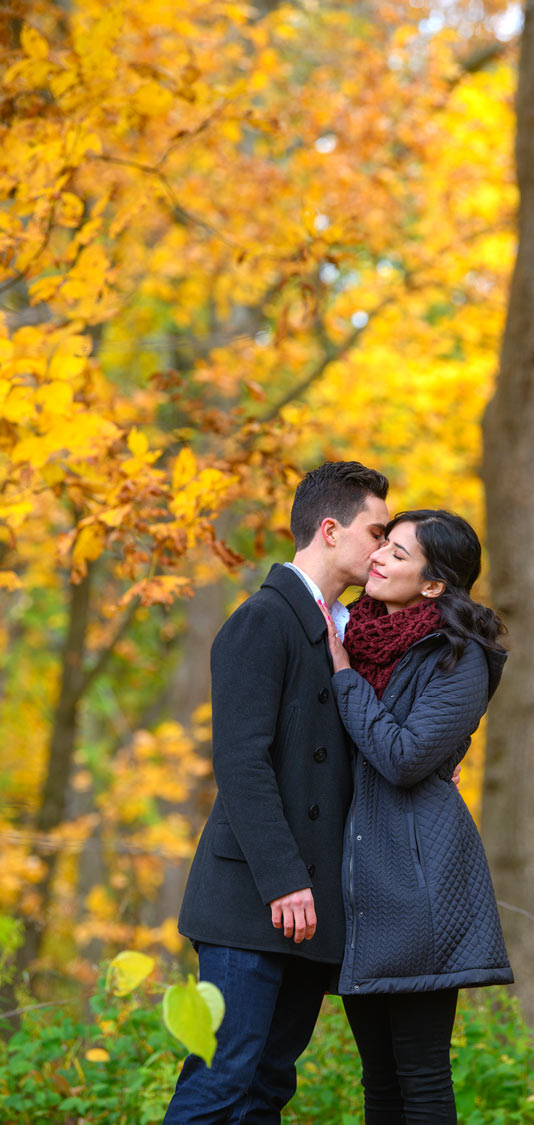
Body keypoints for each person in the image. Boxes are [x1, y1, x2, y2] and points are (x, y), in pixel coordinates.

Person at [163, 461, 390, 1124]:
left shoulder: (342, 632)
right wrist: (284, 879)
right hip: (254, 901)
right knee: (221, 1081)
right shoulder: (263, 619)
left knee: (266, 1089)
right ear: (330, 529)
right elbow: (240, 763)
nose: (383, 548)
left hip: (312, 914)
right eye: (376, 532)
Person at [320, 509, 513, 1125]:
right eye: (383, 544)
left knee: (421, 1077)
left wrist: (345, 679)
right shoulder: (350, 633)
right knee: (377, 1078)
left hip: (420, 884)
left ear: (434, 585)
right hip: (360, 882)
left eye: (399, 555)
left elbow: (403, 759)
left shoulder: (461, 658)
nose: (378, 558)